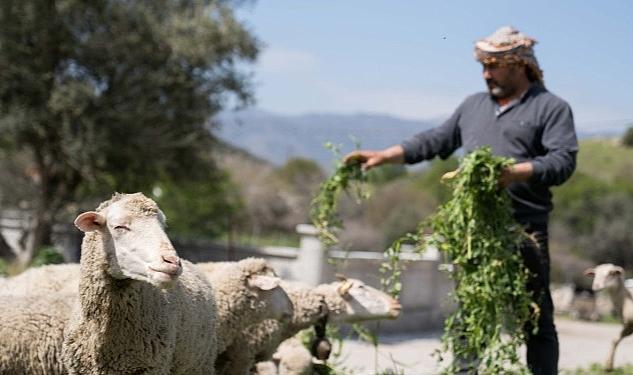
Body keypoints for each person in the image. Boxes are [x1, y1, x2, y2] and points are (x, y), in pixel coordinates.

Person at [344, 26, 578, 375]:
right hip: (477, 232)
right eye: (483, 66)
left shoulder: (551, 108)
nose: (486, 74)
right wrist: (384, 155)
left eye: (494, 66)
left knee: (535, 318)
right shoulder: (473, 106)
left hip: (525, 231)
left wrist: (514, 173)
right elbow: (436, 140)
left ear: (518, 65)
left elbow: (562, 161)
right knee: (471, 314)